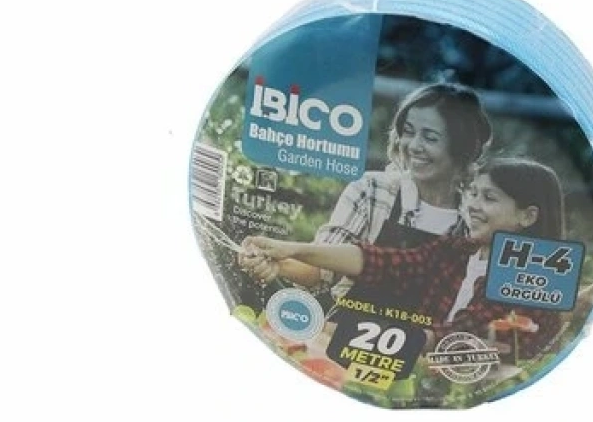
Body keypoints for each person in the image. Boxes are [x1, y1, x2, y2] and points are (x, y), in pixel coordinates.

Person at [241, 158, 565, 361]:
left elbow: (453, 335)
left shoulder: (533, 280)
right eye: (474, 194)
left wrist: (326, 332)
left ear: (527, 216)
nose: (474, 206)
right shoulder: (457, 250)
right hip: (414, 364)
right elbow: (383, 263)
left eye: (489, 198)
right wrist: (289, 250)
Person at [241, 83, 492, 300]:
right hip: (343, 333)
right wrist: (277, 263)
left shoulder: (477, 219)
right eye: (408, 132)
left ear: (462, 149)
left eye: (430, 138)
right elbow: (320, 271)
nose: (414, 146)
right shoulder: (372, 190)